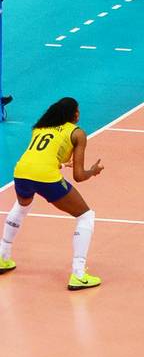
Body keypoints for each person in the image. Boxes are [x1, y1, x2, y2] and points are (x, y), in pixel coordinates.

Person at [3, 96, 103, 289]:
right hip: (45, 176)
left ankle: (3, 256)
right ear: (73, 114)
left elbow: (38, 156)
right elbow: (79, 176)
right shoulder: (77, 133)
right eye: (78, 110)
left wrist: (60, 163)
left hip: (21, 172)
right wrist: (93, 171)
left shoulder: (40, 128)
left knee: (22, 206)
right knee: (86, 216)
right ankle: (79, 274)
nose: (79, 113)